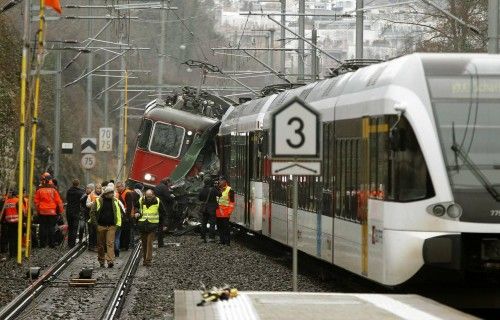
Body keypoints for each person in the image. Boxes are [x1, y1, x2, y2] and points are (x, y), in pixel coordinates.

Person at [90, 185, 122, 268]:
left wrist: (117, 224)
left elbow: (119, 213)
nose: (113, 194)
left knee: (110, 243)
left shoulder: (115, 201)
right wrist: (96, 225)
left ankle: (110, 261)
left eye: (113, 193)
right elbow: (92, 213)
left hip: (111, 226)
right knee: (100, 245)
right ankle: (101, 260)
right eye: (111, 193)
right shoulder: (98, 201)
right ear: (107, 194)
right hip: (100, 226)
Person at [136, 189, 166, 266]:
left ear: (153, 195)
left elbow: (163, 213)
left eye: (150, 196)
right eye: (147, 196)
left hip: (152, 225)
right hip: (142, 225)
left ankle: (148, 260)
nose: (148, 198)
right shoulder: (141, 200)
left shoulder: (158, 201)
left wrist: (162, 224)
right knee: (144, 244)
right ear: (145, 195)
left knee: (149, 243)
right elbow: (136, 208)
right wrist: (137, 213)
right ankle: (145, 260)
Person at [34, 174, 64, 248]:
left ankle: (42, 244)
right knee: (51, 228)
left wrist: (38, 211)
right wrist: (60, 211)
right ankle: (51, 244)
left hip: (42, 212)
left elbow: (36, 202)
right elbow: (59, 202)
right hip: (52, 212)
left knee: (42, 227)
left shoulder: (39, 190)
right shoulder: (53, 190)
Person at [0, 190, 26, 258]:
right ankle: (16, 253)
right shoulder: (17, 201)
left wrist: (2, 222)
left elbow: (3, 213)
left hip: (9, 223)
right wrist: (23, 221)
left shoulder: (6, 202)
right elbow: (22, 212)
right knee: (17, 237)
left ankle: (11, 253)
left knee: (11, 239)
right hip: (17, 222)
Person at [198, 178, 221, 243]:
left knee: (204, 223)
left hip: (204, 209)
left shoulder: (202, 190)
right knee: (212, 223)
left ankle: (203, 237)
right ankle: (211, 238)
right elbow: (220, 195)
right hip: (212, 209)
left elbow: (199, 198)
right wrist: (217, 188)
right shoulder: (213, 189)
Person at [153, 178, 174, 247]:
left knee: (156, 225)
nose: (169, 184)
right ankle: (160, 243)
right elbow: (167, 197)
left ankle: (153, 239)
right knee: (162, 225)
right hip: (164, 206)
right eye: (169, 183)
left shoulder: (157, 186)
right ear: (167, 182)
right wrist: (172, 197)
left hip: (156, 207)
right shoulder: (164, 187)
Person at [66, 179, 85, 248]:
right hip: (76, 211)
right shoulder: (80, 192)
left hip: (68, 211)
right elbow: (83, 199)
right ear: (78, 184)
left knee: (70, 227)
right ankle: (72, 244)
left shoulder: (69, 191)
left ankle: (69, 243)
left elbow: (67, 199)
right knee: (75, 228)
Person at [116, 181, 135, 252]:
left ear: (122, 186)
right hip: (121, 216)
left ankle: (125, 246)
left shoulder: (127, 193)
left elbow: (129, 206)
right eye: (116, 187)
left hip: (127, 216)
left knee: (126, 232)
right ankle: (121, 245)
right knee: (122, 232)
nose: (117, 188)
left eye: (118, 187)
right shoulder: (118, 193)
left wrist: (127, 217)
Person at [216, 177, 234, 246]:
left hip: (225, 213)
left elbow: (232, 203)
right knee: (219, 227)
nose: (219, 182)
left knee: (226, 228)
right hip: (218, 213)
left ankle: (227, 241)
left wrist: (229, 212)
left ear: (225, 181)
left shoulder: (230, 190)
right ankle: (222, 240)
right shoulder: (217, 189)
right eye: (219, 180)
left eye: (221, 180)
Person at [86, 183, 102, 250]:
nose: (98, 189)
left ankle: (97, 245)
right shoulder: (91, 195)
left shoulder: (103, 195)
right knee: (91, 231)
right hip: (92, 216)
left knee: (98, 232)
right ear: (95, 188)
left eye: (99, 188)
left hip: (101, 216)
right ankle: (91, 246)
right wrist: (93, 203)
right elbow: (87, 204)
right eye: (97, 188)